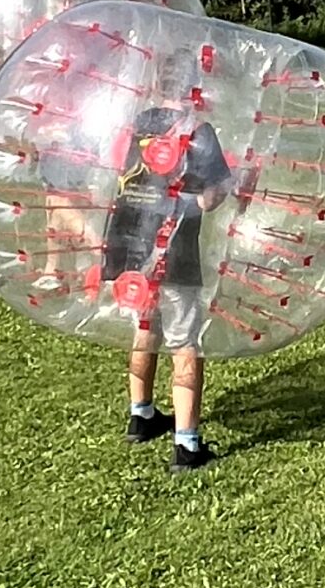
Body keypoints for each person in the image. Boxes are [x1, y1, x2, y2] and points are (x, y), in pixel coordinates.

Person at [100, 98, 234, 470]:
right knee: (185, 344)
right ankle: (187, 445)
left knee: (145, 328)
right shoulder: (197, 132)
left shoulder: (133, 124)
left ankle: (140, 415)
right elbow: (208, 201)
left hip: (130, 250)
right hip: (175, 254)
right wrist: (231, 183)